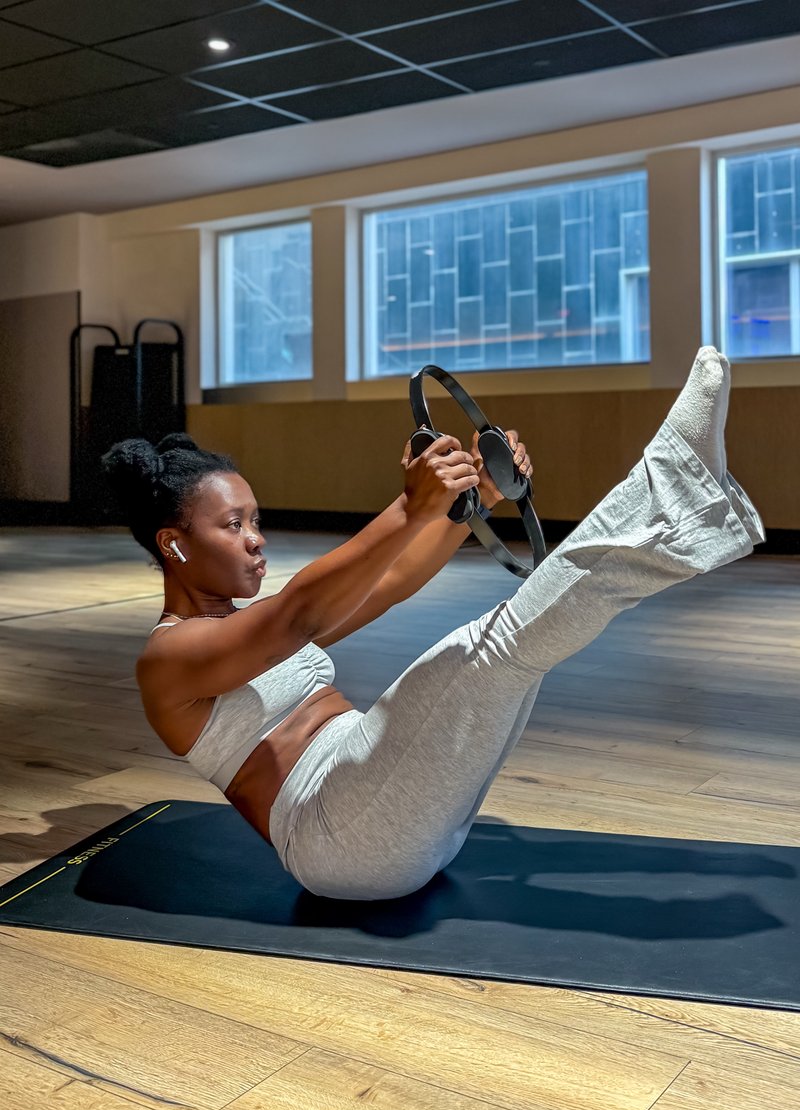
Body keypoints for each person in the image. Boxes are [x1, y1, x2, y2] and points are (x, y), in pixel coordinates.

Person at [102, 347, 764, 901]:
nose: (256, 540)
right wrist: (408, 505)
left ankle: (685, 493)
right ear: (175, 544)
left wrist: (475, 497)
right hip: (338, 836)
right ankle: (677, 484)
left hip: (384, 801)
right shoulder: (168, 662)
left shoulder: (247, 627)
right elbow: (301, 608)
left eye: (256, 520)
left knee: (516, 649)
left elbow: (389, 584)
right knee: (492, 644)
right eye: (233, 524)